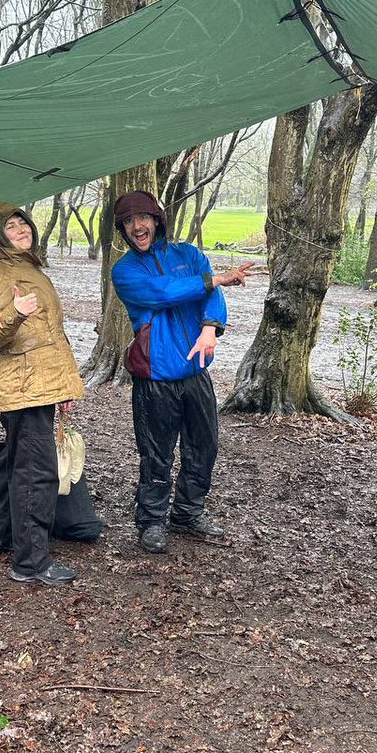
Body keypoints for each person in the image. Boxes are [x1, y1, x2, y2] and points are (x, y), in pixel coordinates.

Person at [111, 190, 254, 554]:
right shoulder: (125, 271)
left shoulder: (188, 254)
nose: (136, 226)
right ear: (123, 230)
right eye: (128, 222)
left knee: (204, 446)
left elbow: (210, 297)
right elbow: (163, 292)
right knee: (156, 452)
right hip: (155, 377)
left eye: (142, 218)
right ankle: (152, 521)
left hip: (195, 372)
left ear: (157, 220)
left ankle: (188, 515)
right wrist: (215, 280)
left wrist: (210, 327)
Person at [0, 202, 100, 585]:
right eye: (10, 227)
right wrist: (16, 312)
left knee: (14, 464)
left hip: (42, 385)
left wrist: (64, 388)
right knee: (35, 474)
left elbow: (50, 338)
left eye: (22, 222)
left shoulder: (29, 269)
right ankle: (30, 562)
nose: (21, 229)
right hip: (26, 387)